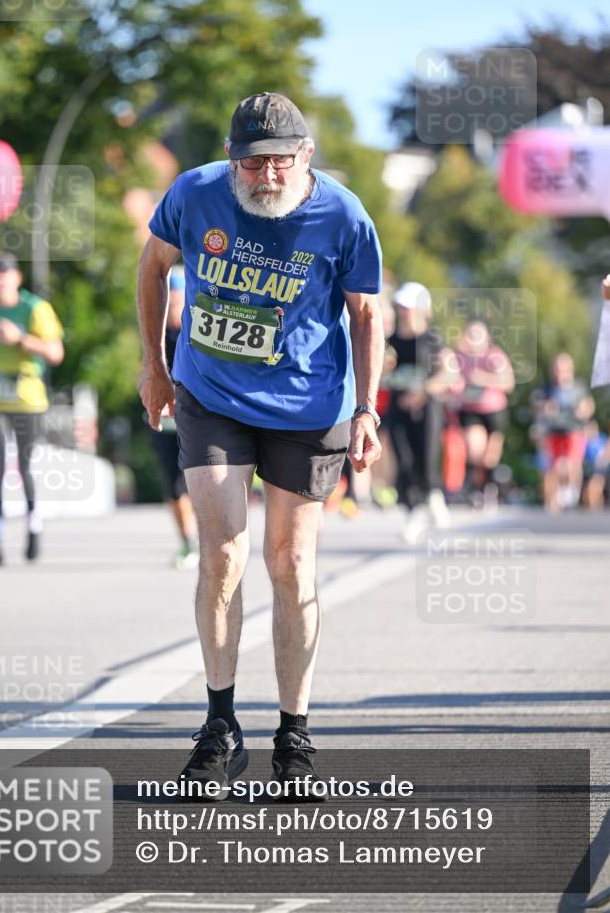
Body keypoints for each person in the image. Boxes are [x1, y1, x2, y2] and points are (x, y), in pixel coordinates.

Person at [137, 91, 384, 795]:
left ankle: (294, 733)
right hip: (211, 395)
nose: (267, 176)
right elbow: (153, 268)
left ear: (305, 156)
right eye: (252, 164)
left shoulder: (341, 213)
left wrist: (366, 408)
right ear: (230, 160)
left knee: (289, 560)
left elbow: (367, 315)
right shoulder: (192, 195)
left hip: (309, 404)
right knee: (220, 552)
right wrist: (154, 364)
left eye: (281, 162)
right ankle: (219, 726)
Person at [0, 254, 64, 563]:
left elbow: (55, 353)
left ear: (17, 278)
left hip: (28, 398)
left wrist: (20, 338)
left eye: (5, 275)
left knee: (24, 466)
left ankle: (33, 526)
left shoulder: (35, 308)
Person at [383, 282, 461, 542]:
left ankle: (433, 495)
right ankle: (413, 510)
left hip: (428, 407)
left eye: (409, 306)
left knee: (427, 457)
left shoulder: (433, 339)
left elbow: (450, 371)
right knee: (403, 459)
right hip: (398, 406)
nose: (404, 311)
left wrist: (424, 391)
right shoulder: (389, 341)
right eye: (401, 306)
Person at [148, 265, 199, 569]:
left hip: (197, 418)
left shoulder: (195, 330)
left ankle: (209, 538)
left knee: (201, 481)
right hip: (165, 421)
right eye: (167, 296)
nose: (171, 302)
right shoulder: (154, 334)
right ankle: (186, 542)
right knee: (173, 486)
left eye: (176, 295)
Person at [454, 319, 515, 507]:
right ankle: (473, 490)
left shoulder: (495, 356)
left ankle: (488, 488)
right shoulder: (460, 358)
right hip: (471, 410)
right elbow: (452, 381)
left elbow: (508, 384)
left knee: (490, 457)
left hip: (494, 411)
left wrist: (485, 379)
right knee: (474, 448)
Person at [531, 352, 595, 512]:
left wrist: (584, 410)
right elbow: (535, 406)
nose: (560, 373)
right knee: (553, 466)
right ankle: (553, 501)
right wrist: (545, 408)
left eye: (564, 369)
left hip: (573, 430)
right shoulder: (546, 387)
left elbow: (588, 406)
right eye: (557, 369)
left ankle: (572, 492)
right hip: (552, 431)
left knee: (573, 462)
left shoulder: (578, 387)